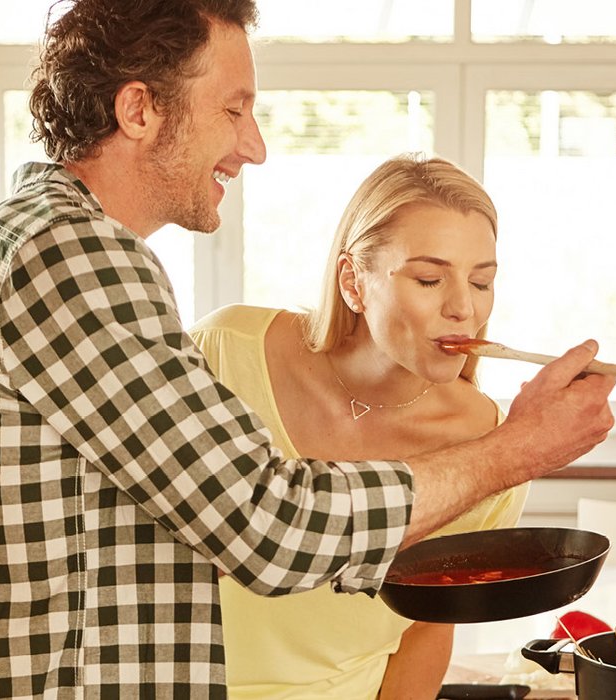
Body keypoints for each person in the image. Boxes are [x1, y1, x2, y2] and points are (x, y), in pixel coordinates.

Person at [0, 1, 616, 697]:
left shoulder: (43, 241)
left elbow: (196, 526)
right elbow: (269, 524)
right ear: (139, 110)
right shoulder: (72, 255)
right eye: (232, 110)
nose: (255, 145)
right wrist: (519, 448)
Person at [193, 154, 522, 699]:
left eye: (481, 282)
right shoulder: (224, 352)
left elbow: (427, 626)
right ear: (353, 281)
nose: (464, 308)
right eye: (429, 278)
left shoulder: (493, 445)